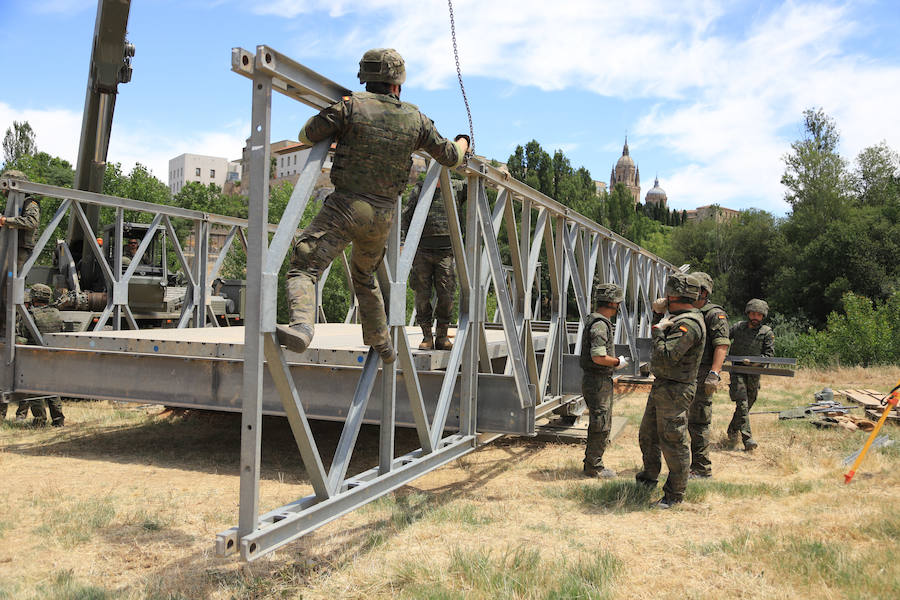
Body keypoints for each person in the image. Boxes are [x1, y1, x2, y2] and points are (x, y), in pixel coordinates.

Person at [276, 48, 469, 363]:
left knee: (304, 265)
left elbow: (307, 134)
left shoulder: (350, 108)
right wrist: (463, 142)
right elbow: (450, 157)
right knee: (365, 275)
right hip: (382, 216)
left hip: (346, 205)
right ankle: (382, 343)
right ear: (398, 84)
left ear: (366, 79)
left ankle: (301, 328)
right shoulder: (417, 119)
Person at [636, 272, 705, 508]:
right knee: (648, 435)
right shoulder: (677, 318)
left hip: (676, 390)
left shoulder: (688, 324)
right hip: (664, 386)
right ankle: (648, 479)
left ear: (672, 296)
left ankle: (674, 495)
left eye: (667, 295)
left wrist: (657, 329)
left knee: (673, 442)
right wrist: (658, 316)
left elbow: (666, 357)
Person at [401, 178, 462, 350]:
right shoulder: (420, 188)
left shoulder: (456, 187)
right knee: (422, 294)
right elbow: (406, 215)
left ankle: (442, 336)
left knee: (446, 294)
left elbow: (479, 182)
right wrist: (404, 243)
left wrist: (502, 171)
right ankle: (427, 336)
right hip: (422, 250)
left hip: (446, 252)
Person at [580, 283, 629, 478]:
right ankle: (594, 467)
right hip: (597, 380)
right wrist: (618, 362)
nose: (618, 307)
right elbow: (598, 357)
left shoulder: (597, 321)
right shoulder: (600, 324)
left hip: (596, 379)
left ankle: (593, 463)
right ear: (611, 303)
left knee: (601, 421)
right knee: (601, 423)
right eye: (617, 303)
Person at [684, 272, 730, 478]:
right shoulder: (687, 310)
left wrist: (714, 373)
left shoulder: (713, 314)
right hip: (686, 372)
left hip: (702, 374)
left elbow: (721, 344)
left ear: (703, 291)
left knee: (699, 421)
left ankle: (702, 468)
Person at [11, 284, 65, 427]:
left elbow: (22, 337)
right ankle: (58, 420)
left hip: (34, 358)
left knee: (35, 391)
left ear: (34, 297)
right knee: (52, 388)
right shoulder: (56, 312)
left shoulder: (30, 315)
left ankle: (39, 421)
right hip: (52, 357)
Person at [726, 298, 775, 451]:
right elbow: (722, 338)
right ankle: (748, 439)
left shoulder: (766, 332)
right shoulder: (738, 328)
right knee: (742, 402)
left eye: (759, 315)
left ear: (763, 316)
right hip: (737, 370)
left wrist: (754, 363)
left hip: (754, 372)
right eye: (753, 314)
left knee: (749, 402)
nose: (755, 317)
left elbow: (769, 355)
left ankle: (733, 429)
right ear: (748, 313)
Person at [0, 170, 39, 272]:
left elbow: (32, 221)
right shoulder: (13, 204)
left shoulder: (29, 203)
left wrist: (6, 220)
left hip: (21, 250)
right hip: (10, 246)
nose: (2, 189)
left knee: (10, 282)